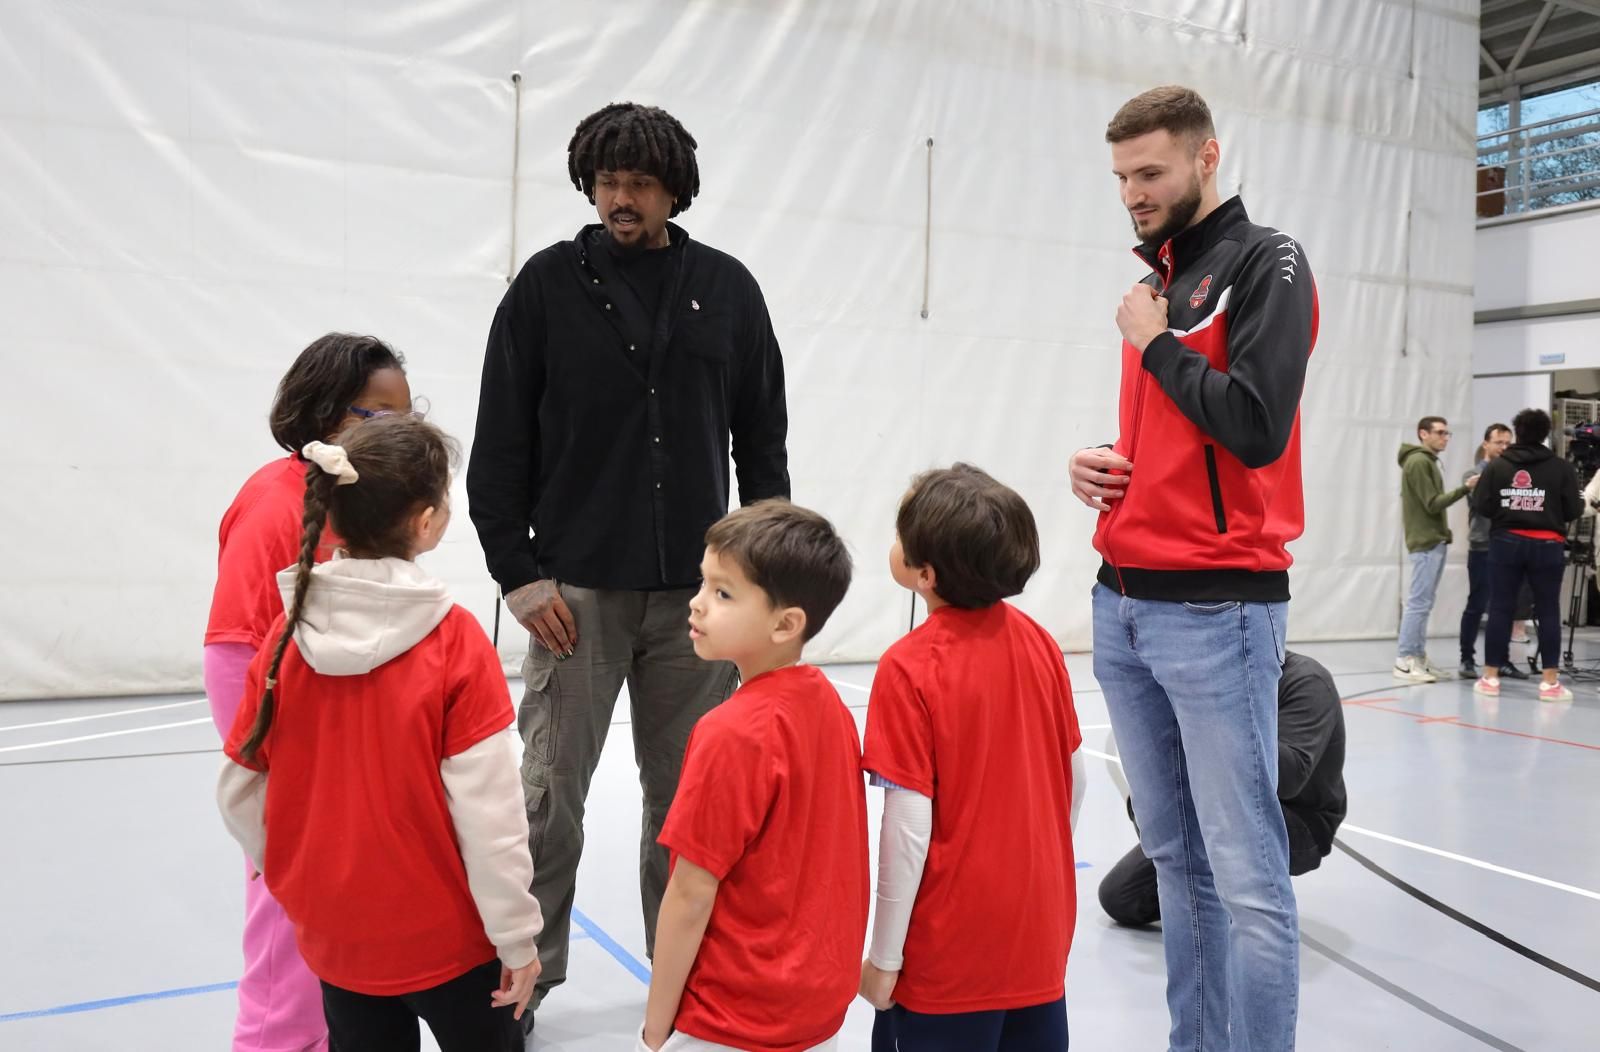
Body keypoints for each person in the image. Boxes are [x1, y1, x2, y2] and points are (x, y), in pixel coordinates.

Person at [466, 101, 790, 1021]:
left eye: (639, 183)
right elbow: (499, 450)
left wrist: (763, 574)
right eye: (607, 182)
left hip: (702, 600)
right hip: (573, 593)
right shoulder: (542, 289)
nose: (621, 198)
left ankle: (687, 984)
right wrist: (519, 576)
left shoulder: (727, 289)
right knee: (547, 802)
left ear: (674, 190)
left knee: (690, 808)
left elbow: (762, 442)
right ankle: (522, 987)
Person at [1067, 85, 1316, 1051]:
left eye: (1151, 172)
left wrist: (1155, 341)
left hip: (1218, 612)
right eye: (1122, 176)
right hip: (1123, 603)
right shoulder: (1158, 281)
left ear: (1208, 158)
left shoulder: (1268, 263)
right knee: (1175, 860)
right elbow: (1183, 432)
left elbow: (1253, 427)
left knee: (1247, 874)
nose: (1132, 192)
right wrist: (1099, 468)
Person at [217, 415, 543, 1051]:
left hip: (336, 940)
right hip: (450, 941)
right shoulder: (454, 640)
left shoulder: (283, 641)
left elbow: (238, 790)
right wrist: (516, 937)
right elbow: (491, 813)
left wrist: (296, 877)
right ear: (426, 522)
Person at [203, 332, 412, 1051]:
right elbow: (234, 647)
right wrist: (271, 758)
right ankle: (272, 1039)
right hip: (280, 729)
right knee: (286, 899)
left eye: (406, 417)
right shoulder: (274, 501)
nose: (398, 434)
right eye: (377, 416)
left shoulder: (352, 499)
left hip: (327, 735)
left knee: (335, 904)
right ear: (325, 412)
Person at [859, 465, 1083, 1052]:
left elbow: (906, 829)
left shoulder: (907, 668)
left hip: (949, 957)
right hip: (1038, 940)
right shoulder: (1042, 644)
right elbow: (1073, 782)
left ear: (924, 574)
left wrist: (884, 957)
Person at [639, 501, 865, 1051]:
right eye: (703, 582)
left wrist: (655, 1024)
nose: (696, 603)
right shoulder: (829, 705)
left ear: (786, 624)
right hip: (815, 1002)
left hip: (734, 1014)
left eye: (723, 593)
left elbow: (691, 891)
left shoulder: (731, 731)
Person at [1099, 651, 1346, 927]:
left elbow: (1288, 780)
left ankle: (1228, 893)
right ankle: (1212, 886)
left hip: (1299, 821)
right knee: (1120, 896)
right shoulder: (1212, 684)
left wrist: (1217, 722)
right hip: (1220, 804)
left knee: (1218, 820)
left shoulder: (1306, 681)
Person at [1471, 408, 1583, 702]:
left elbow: (1481, 504)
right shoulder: (1561, 468)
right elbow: (1574, 510)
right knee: (1547, 611)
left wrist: (1508, 513)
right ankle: (1549, 683)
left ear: (1517, 432)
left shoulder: (1497, 467)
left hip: (1505, 542)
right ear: (1545, 434)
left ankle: (1490, 678)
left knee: (1500, 608)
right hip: (1548, 545)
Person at [1395, 416, 1479, 682]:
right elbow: (1432, 504)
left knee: (1423, 603)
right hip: (1426, 542)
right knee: (1418, 603)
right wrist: (1465, 489)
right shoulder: (1419, 462)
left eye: (1447, 433)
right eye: (1440, 433)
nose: (1445, 438)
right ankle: (1405, 658)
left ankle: (1417, 657)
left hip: (1433, 541)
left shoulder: (1425, 461)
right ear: (1423, 434)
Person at [1459, 423, 1511, 679]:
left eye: (1507, 443)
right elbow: (1480, 505)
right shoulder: (1473, 474)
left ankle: (1502, 659)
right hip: (1482, 546)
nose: (1503, 447)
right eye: (1499, 442)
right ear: (1486, 444)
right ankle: (1467, 659)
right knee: (1477, 604)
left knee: (1504, 606)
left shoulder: (1514, 474)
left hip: (1507, 546)